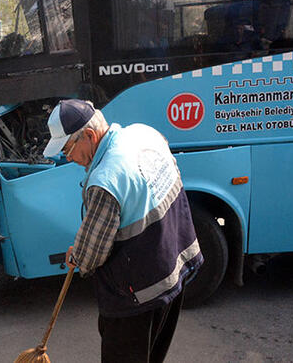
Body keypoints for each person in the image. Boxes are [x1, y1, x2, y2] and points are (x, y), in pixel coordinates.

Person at [42, 99, 204, 363]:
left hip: (137, 295)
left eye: (68, 149)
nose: (68, 157)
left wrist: (79, 255)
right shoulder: (143, 134)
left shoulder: (106, 179)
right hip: (173, 272)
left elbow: (91, 256)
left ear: (90, 136)